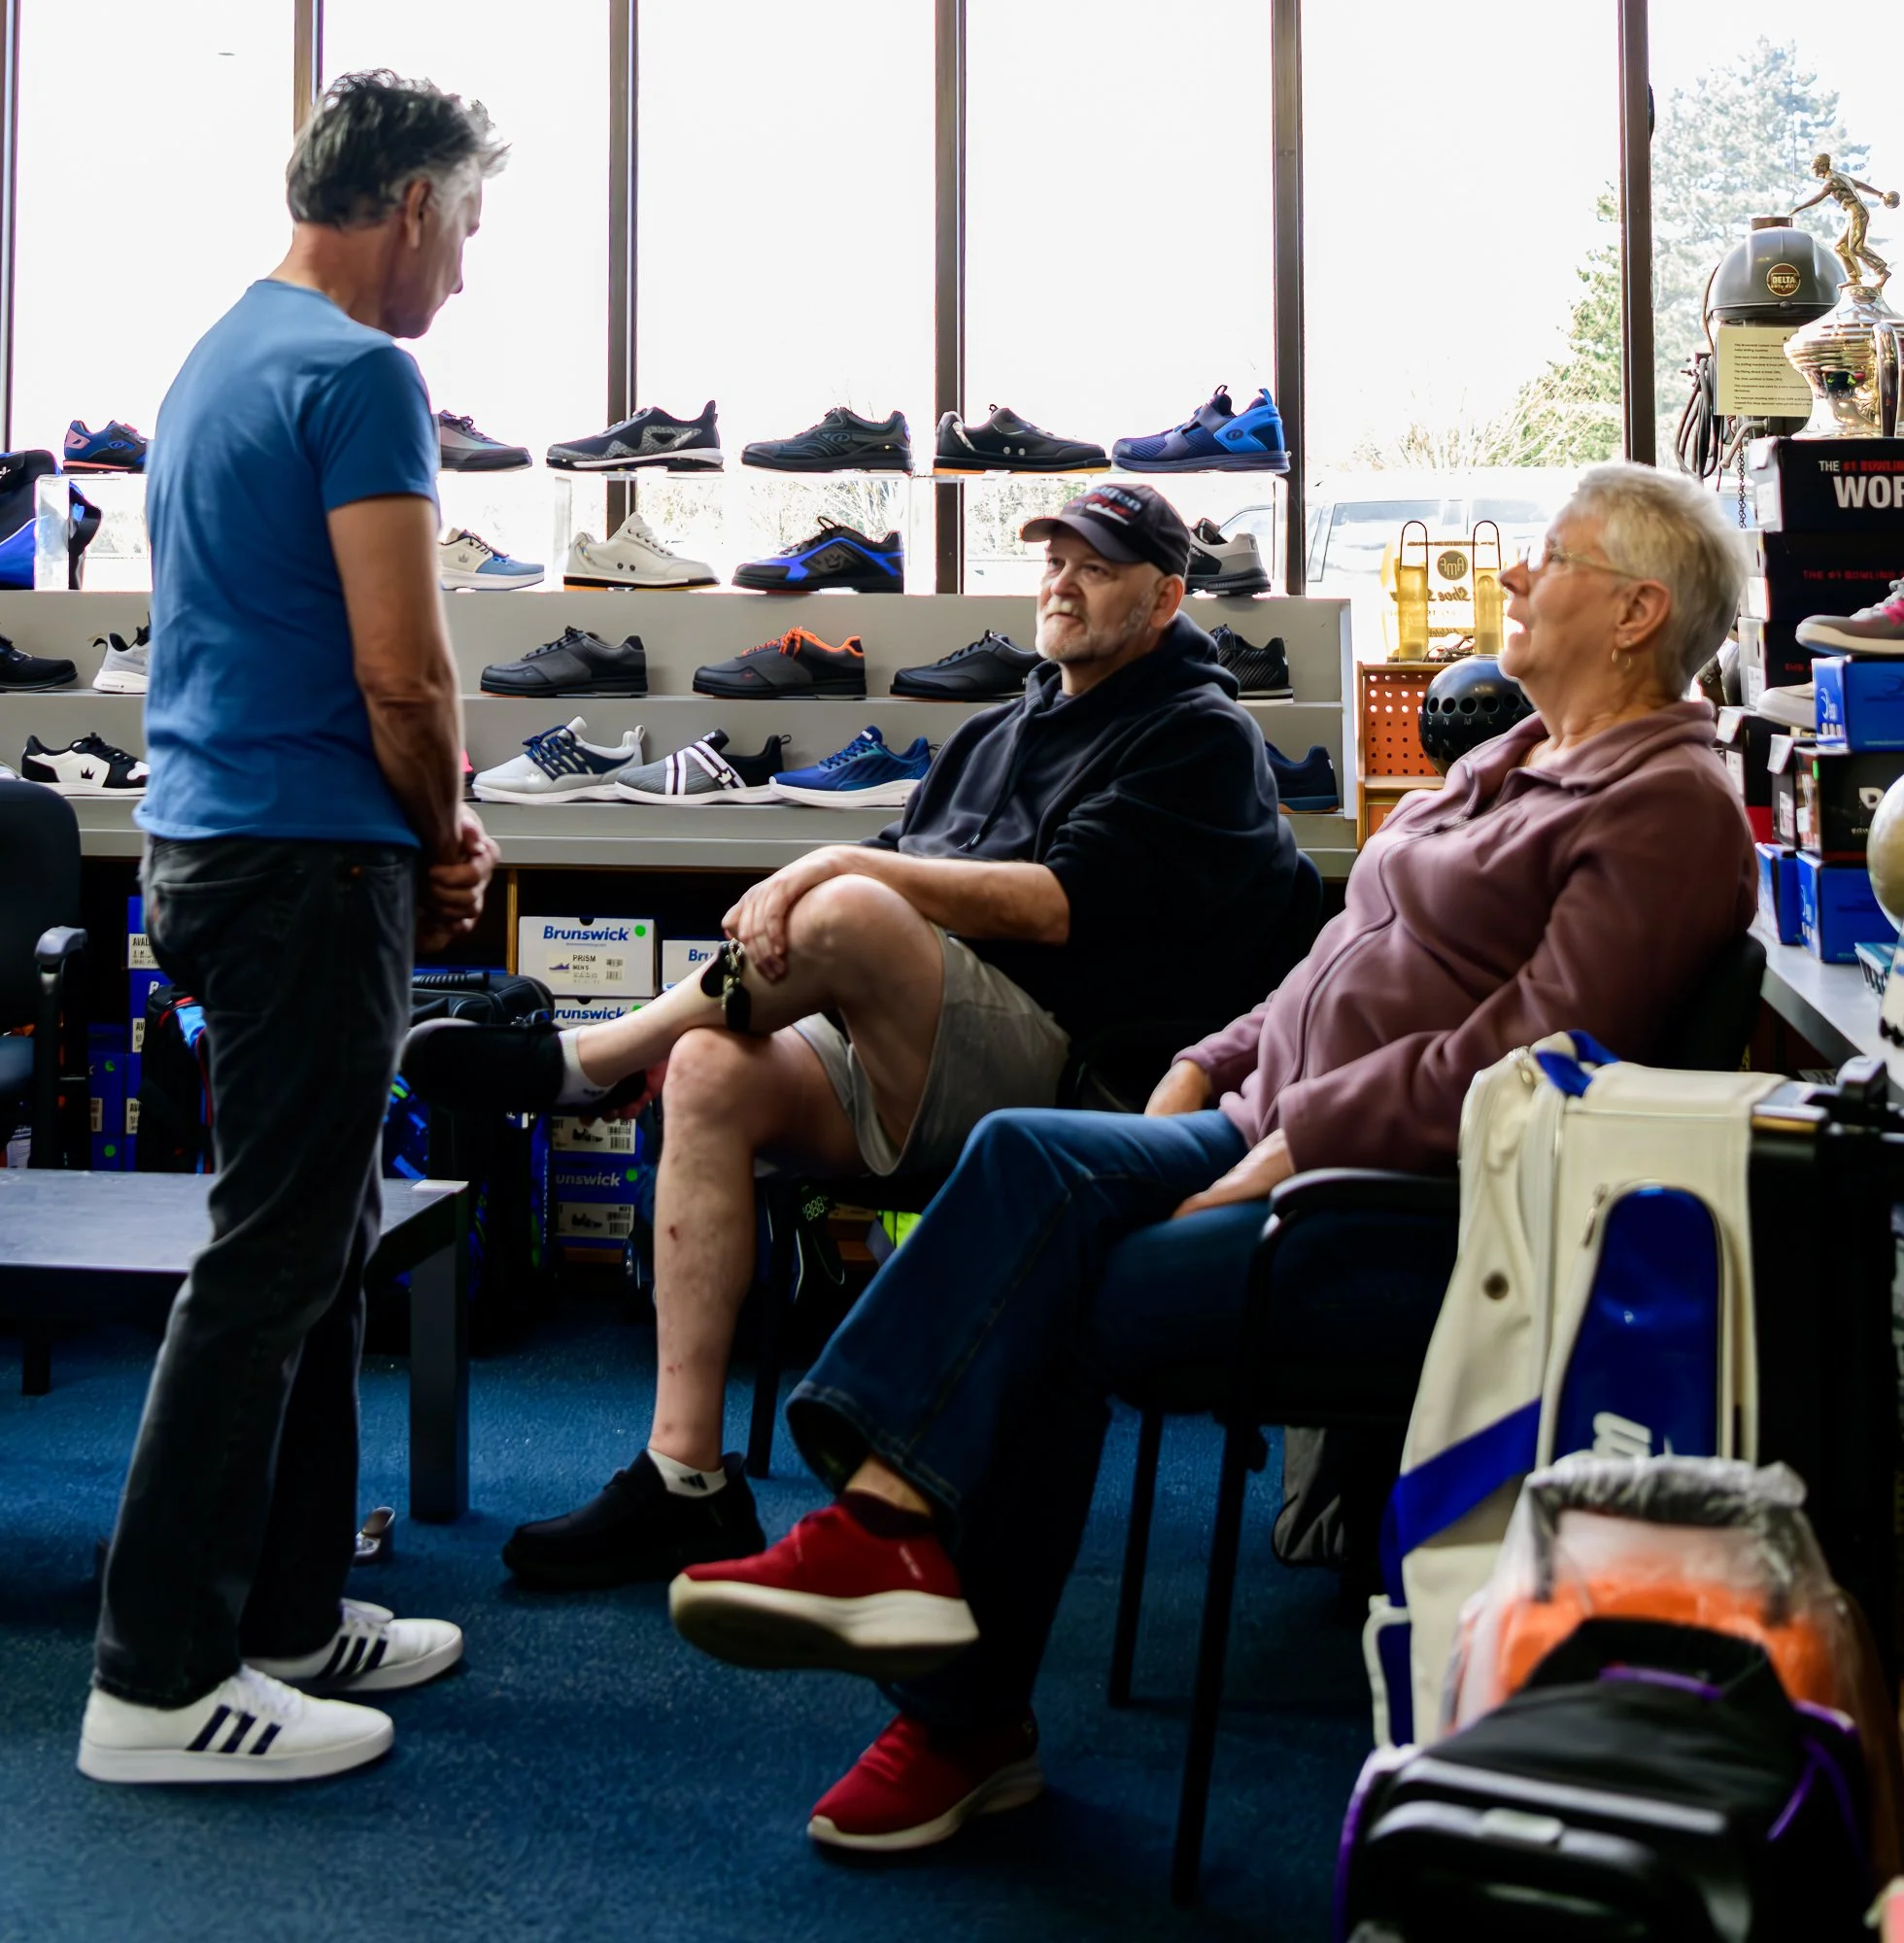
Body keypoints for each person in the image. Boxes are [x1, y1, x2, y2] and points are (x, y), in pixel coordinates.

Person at [664, 461, 1759, 1853]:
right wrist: (1214, 1066)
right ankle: (896, 1556)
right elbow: (1327, 963)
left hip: (1391, 1208)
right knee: (1024, 1157)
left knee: (1055, 1277)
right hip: (1255, 1124)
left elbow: (1531, 1060)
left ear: (1637, 612)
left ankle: (956, 1704)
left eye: (1547, 561)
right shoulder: (1514, 757)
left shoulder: (1665, 806)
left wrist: (1302, 1133)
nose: (1513, 580)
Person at [401, 481, 1303, 1587]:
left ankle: (587, 1060)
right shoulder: (1003, 725)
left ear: (1166, 596)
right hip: (935, 1047)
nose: (1062, 582)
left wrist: (840, 865)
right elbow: (891, 884)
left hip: (1088, 1081)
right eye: (1053, 560)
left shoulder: (1199, 733)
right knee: (708, 1064)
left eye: (1096, 566)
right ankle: (686, 1478)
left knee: (846, 903)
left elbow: (1060, 907)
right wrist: (826, 901)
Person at [79, 73, 505, 1787]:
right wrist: (448, 834)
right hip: (307, 864)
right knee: (271, 1256)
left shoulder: (219, 358)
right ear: (405, 203)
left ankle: (288, 1610)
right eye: (464, 231)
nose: (461, 274)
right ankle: (158, 1680)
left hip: (214, 847)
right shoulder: (358, 371)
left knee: (319, 1243)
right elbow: (400, 670)